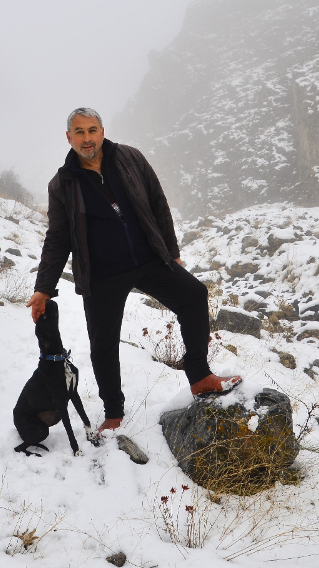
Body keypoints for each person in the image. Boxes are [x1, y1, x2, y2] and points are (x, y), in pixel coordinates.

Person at [26, 107, 242, 435]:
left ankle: (199, 377)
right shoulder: (63, 184)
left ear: (102, 131)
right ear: (69, 138)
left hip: (148, 260)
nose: (87, 138)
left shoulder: (129, 158)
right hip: (101, 275)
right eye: (80, 132)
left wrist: (171, 253)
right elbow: (57, 238)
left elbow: (157, 203)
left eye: (92, 130)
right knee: (103, 343)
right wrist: (44, 287)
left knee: (194, 295)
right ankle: (113, 412)